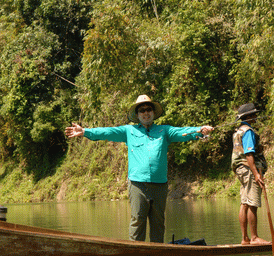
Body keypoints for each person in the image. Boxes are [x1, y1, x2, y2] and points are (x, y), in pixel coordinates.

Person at [65, 94, 214, 243]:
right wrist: (85, 132)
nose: (145, 113)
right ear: (137, 115)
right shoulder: (129, 131)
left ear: (153, 113)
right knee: (137, 220)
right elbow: (107, 132)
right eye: (142, 110)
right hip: (137, 185)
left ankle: (157, 252)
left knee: (158, 223)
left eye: (148, 109)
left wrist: (200, 130)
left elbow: (182, 132)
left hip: (160, 185)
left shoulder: (164, 131)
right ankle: (136, 250)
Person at [231, 103, 270, 245]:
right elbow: (249, 153)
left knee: (245, 203)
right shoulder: (247, 131)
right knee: (252, 203)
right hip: (249, 169)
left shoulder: (238, 131)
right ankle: (254, 238)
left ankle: (245, 238)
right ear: (248, 116)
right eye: (254, 114)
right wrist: (257, 174)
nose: (256, 117)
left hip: (241, 170)